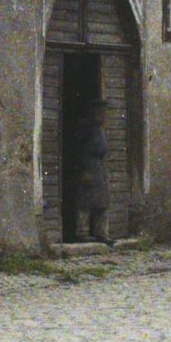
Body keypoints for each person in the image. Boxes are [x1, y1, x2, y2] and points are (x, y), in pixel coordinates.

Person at [70, 97, 113, 244]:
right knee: (85, 201)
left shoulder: (100, 128)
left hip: (99, 167)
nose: (103, 116)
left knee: (102, 201)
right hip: (87, 166)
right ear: (93, 112)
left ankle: (101, 233)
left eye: (104, 113)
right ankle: (82, 233)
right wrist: (83, 170)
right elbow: (77, 150)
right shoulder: (85, 127)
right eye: (100, 112)